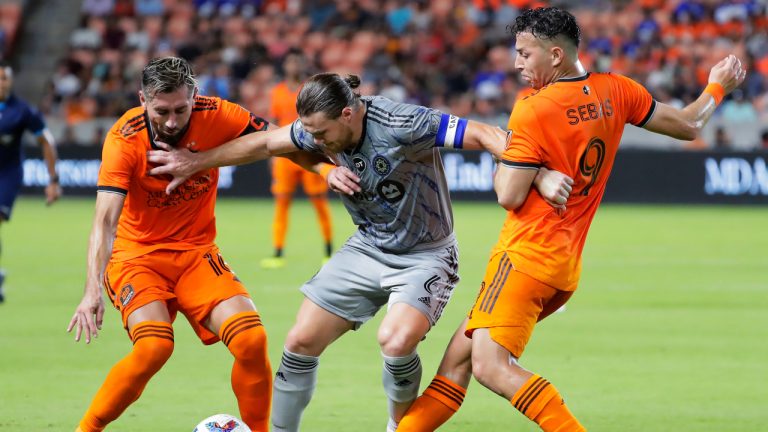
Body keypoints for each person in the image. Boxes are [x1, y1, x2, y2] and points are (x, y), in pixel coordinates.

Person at [146, 72, 573, 432]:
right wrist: (192, 164)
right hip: (367, 246)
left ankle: (398, 426)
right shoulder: (318, 127)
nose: (314, 141)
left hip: (426, 254)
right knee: (299, 340)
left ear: (348, 114)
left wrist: (539, 177)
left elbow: (485, 133)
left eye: (321, 134)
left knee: (396, 340)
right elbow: (264, 145)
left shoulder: (403, 122)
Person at [396, 7, 746, 432]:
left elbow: (507, 194)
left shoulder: (534, 109)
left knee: (489, 366)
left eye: (525, 54)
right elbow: (690, 124)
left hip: (523, 258)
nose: (517, 63)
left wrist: (527, 169)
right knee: (458, 362)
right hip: (563, 268)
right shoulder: (617, 90)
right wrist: (717, 85)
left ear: (556, 55)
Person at [66, 57, 274, 432]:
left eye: (181, 108)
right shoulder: (124, 138)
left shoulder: (218, 114)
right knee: (154, 348)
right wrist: (90, 290)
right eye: (162, 111)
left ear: (195, 95)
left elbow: (278, 138)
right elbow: (104, 221)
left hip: (196, 253)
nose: (174, 121)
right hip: (136, 257)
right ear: (142, 99)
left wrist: (326, 168)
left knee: (252, 340)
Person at [262, 49, 333, 269]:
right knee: (282, 203)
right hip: (284, 155)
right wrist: (271, 154)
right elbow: (273, 121)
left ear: (302, 65)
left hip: (309, 152)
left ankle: (328, 250)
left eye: (297, 62)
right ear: (285, 66)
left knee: (319, 202)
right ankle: (277, 252)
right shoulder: (277, 92)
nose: (293, 66)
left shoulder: (309, 91)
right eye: (290, 62)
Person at [0, 62, 61, 303]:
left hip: (7, 174)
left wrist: (53, 180)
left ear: (11, 82)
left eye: (4, 78)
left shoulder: (22, 111)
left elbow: (46, 141)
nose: (1, 83)